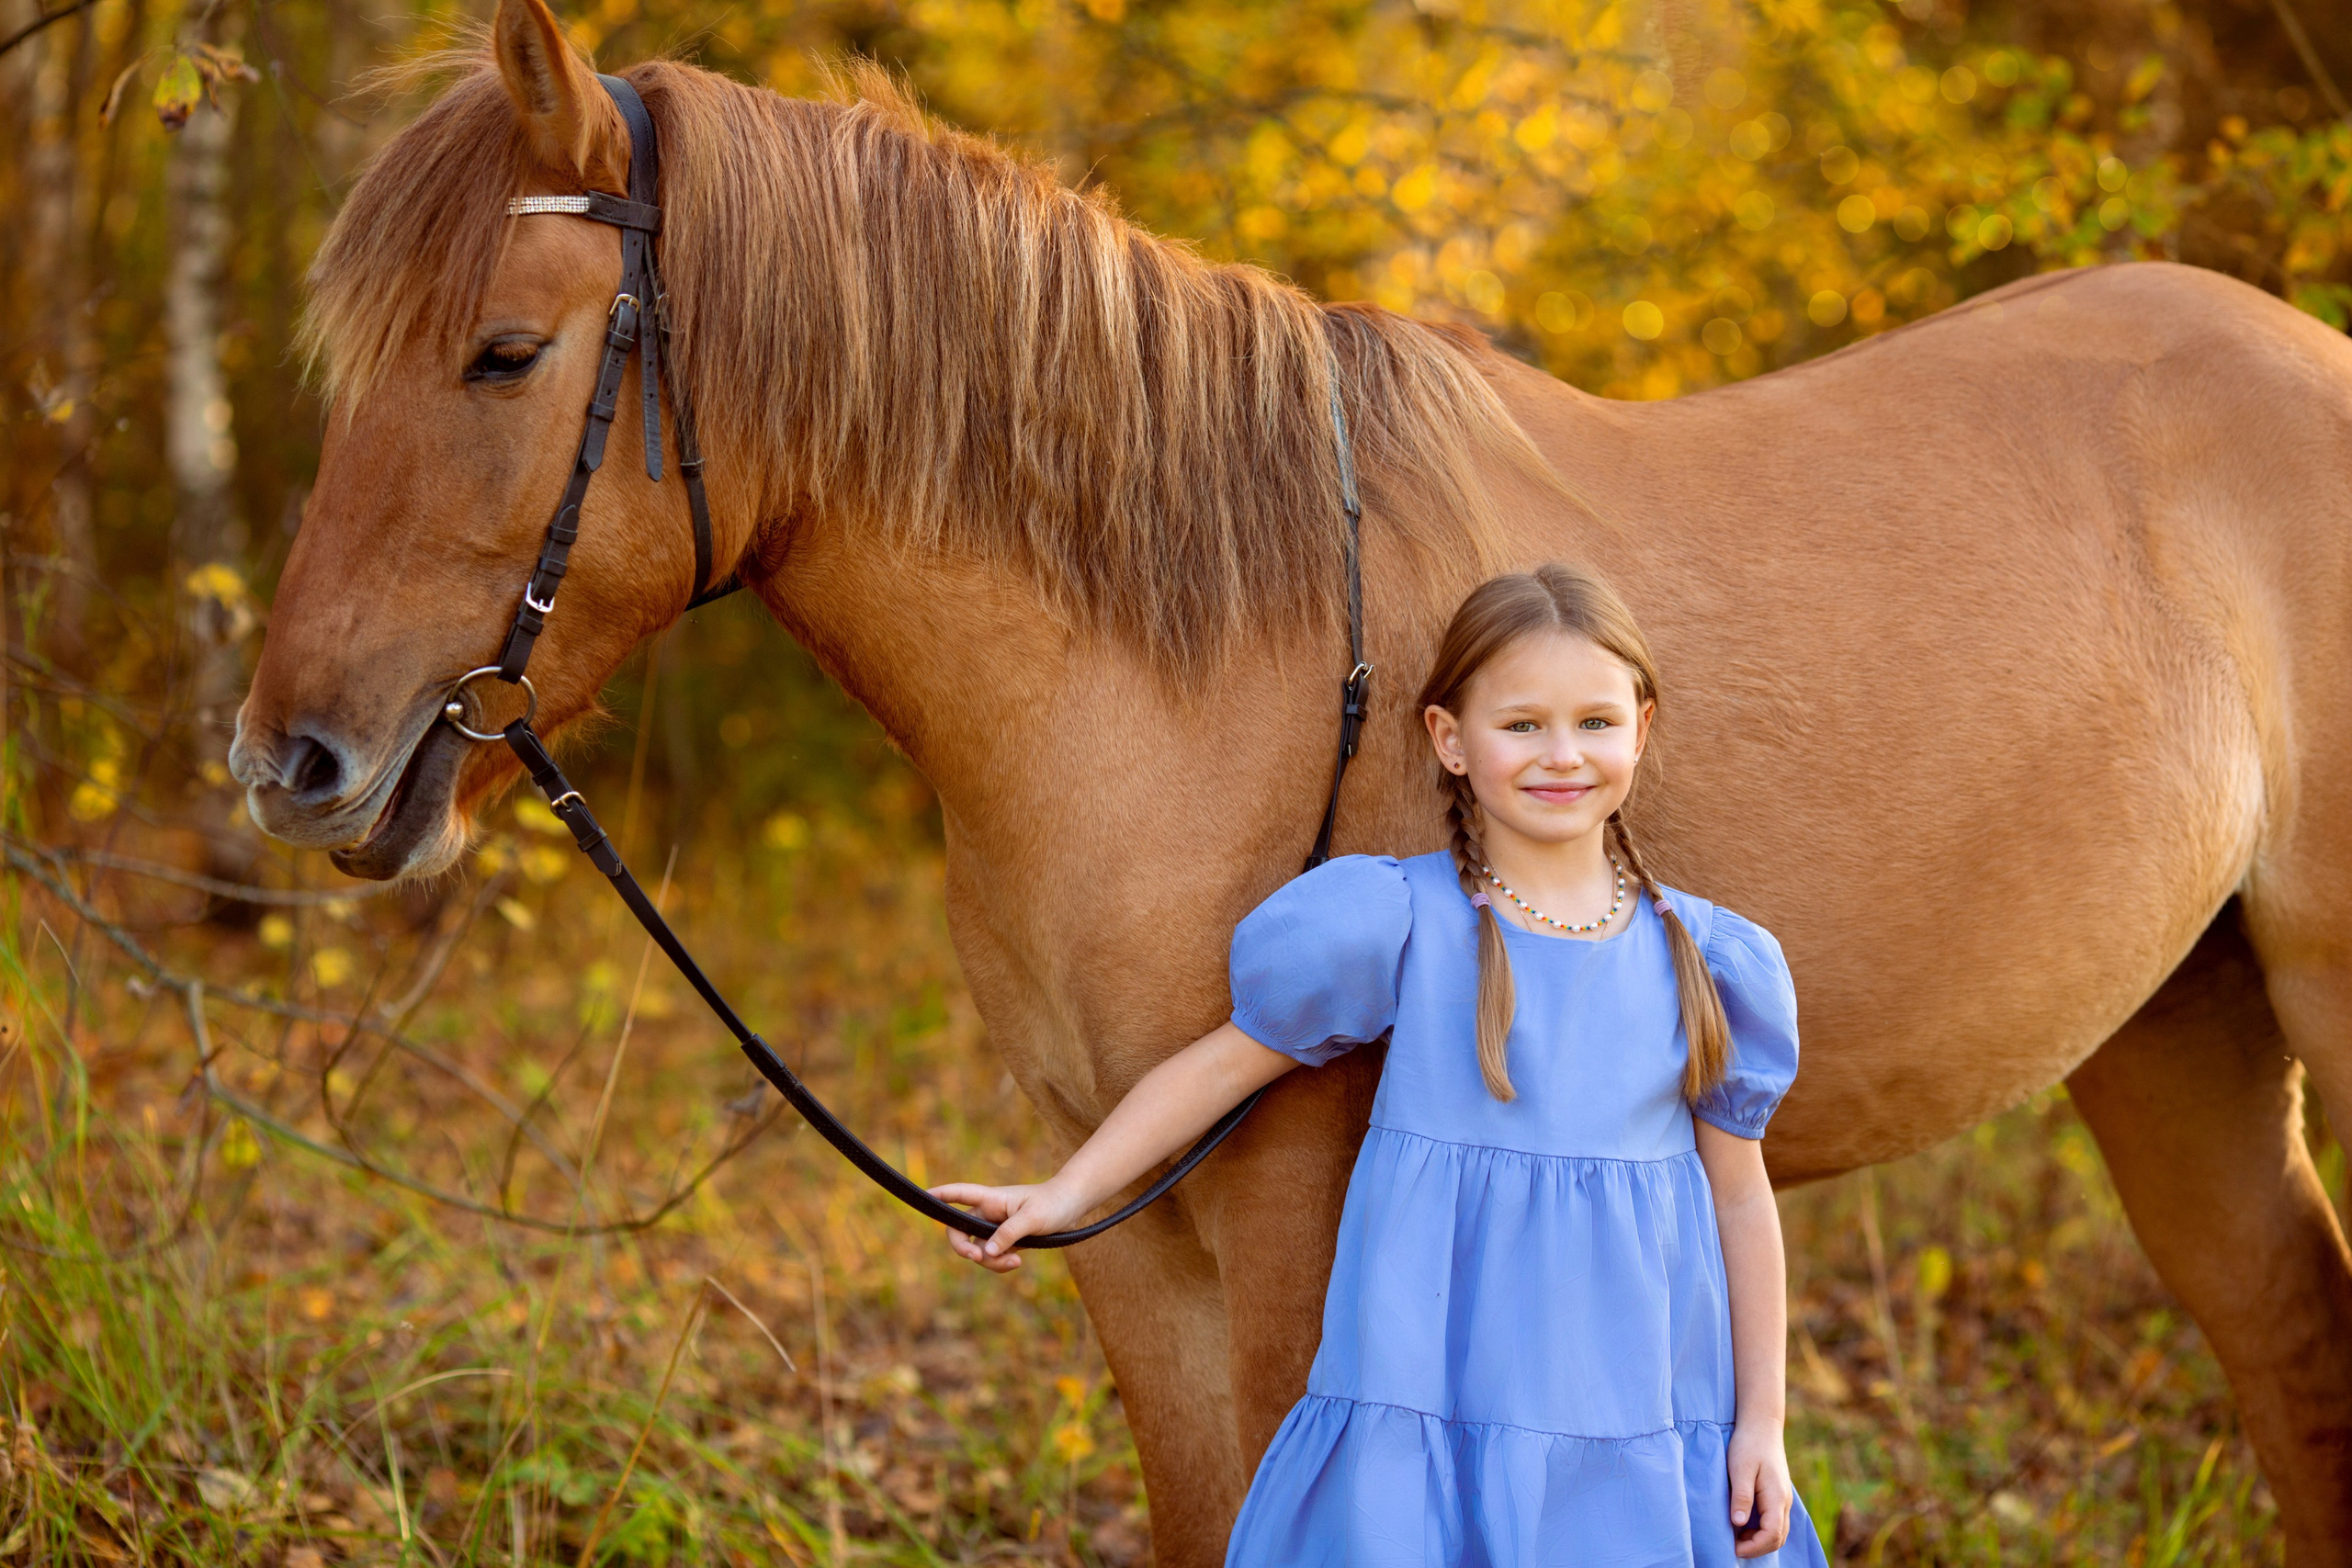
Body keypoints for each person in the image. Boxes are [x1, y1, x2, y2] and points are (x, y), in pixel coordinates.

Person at [931, 564, 1831, 1564]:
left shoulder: (1706, 959)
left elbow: (1741, 1203)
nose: (1562, 755)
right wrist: (1065, 1193)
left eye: (1595, 723)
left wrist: (1761, 1424)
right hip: (1433, 1388)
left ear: (1643, 729)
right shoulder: (1398, 921)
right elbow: (1222, 1066)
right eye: (1521, 725)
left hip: (1632, 1400)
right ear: (1449, 739)